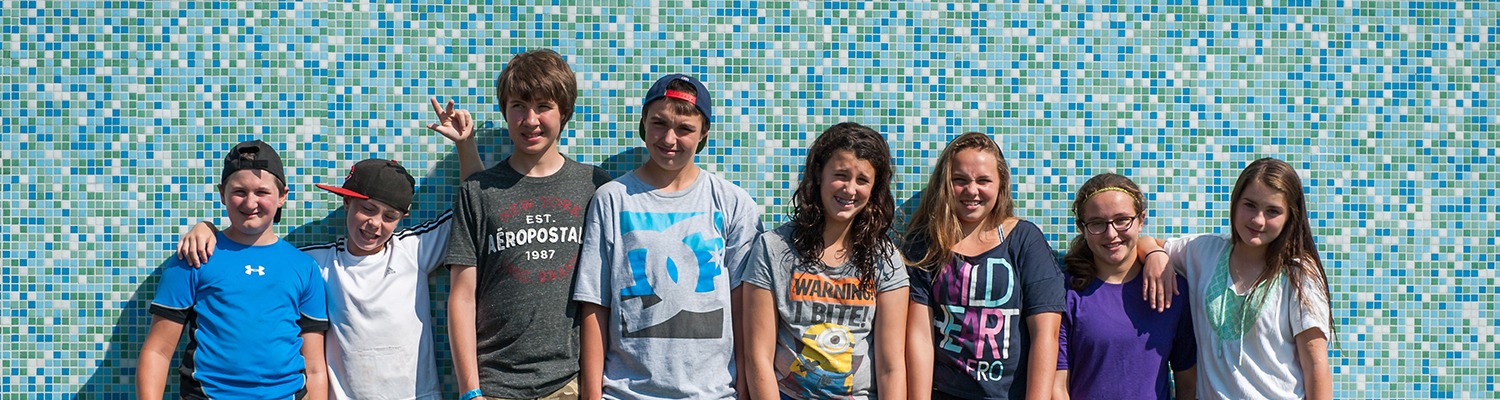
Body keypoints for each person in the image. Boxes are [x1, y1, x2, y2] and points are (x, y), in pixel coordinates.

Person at [172, 100, 483, 400]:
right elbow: (259, 249)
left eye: (389, 216)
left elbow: (476, 212)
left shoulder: (415, 249)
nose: (375, 224)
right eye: (367, 209)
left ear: (403, 218)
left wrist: (465, 146)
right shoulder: (316, 262)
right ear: (347, 201)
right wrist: (208, 228)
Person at [572, 73, 763, 399]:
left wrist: (745, 389)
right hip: (626, 392)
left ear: (704, 133)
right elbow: (594, 304)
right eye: (659, 123)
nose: (669, 138)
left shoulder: (732, 203)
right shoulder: (612, 199)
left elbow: (745, 308)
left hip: (714, 393)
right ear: (643, 122)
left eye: (685, 129)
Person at [444, 48, 613, 400]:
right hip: (494, 387)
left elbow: (603, 294)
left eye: (543, 106)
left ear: (564, 112)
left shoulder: (594, 186)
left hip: (569, 383)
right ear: (505, 111)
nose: (530, 119)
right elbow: (461, 296)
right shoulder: (478, 191)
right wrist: (469, 391)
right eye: (518, 105)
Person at [139, 140, 330, 400]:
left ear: (282, 196)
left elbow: (316, 368)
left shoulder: (304, 267)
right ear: (222, 194)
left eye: (262, 192)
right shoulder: (195, 257)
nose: (250, 202)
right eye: (239, 191)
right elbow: (158, 351)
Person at [744, 122, 910, 400]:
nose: (850, 189)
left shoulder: (886, 258)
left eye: (862, 180)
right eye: (841, 175)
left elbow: (891, 367)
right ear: (819, 174)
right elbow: (757, 357)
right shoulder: (772, 249)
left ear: (874, 187)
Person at [1143, 157, 1333, 399]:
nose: (1258, 220)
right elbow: (1143, 243)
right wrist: (1155, 254)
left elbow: (1316, 365)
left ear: (1290, 217)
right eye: (1250, 205)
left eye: (1273, 211)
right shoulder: (1204, 252)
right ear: (1234, 203)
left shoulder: (1299, 274)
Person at [902, 132, 1065, 400]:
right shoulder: (924, 244)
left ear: (1000, 185)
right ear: (945, 184)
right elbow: (920, 337)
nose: (972, 190)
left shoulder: (1024, 240)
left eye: (983, 180)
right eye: (960, 180)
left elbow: (1046, 334)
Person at [1052, 173, 1196, 400]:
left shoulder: (1173, 291)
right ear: (1083, 228)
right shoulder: (1066, 292)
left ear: (1141, 220)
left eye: (1122, 220)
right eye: (1097, 223)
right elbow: (1057, 387)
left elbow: (1188, 385)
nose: (1111, 234)